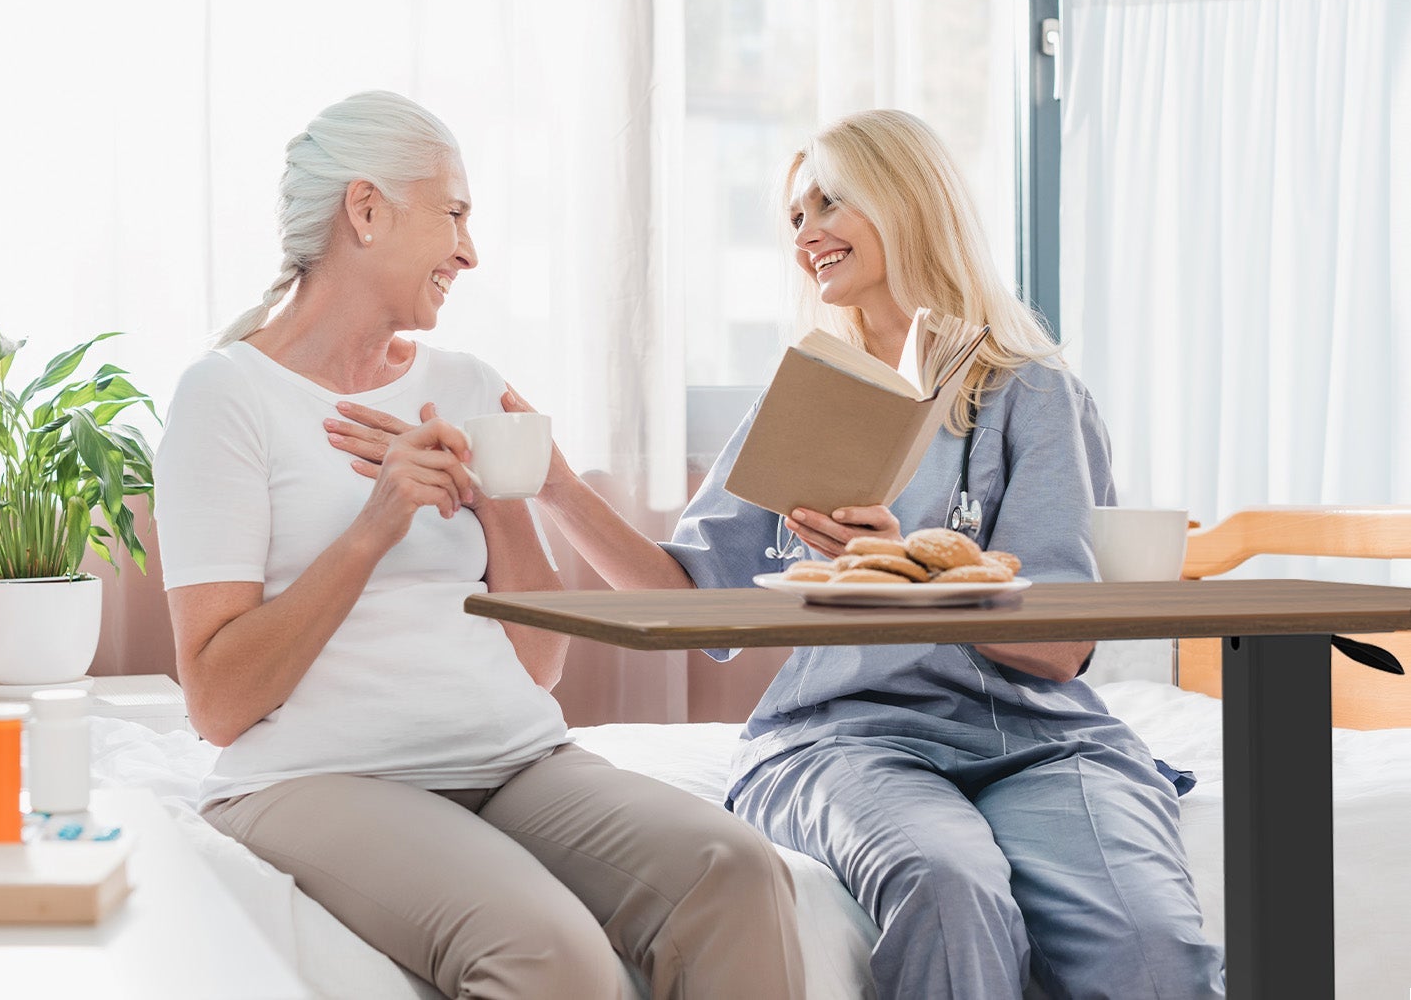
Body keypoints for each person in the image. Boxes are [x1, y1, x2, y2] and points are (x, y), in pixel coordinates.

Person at [332, 109, 1226, 999]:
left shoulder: (1033, 396)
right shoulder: (809, 400)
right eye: (794, 217)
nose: (806, 235)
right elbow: (689, 603)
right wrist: (557, 482)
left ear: (906, 201)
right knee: (951, 886)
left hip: (1038, 743)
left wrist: (920, 570)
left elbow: (1059, 650)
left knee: (1148, 944)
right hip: (846, 737)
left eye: (830, 203)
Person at [153, 91, 805, 1000]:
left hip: (514, 757)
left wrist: (496, 507)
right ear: (367, 210)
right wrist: (375, 528)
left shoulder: (467, 384)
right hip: (320, 776)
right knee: (550, 955)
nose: (470, 250)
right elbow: (218, 703)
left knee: (737, 872)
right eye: (454, 214)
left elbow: (536, 667)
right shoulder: (226, 398)